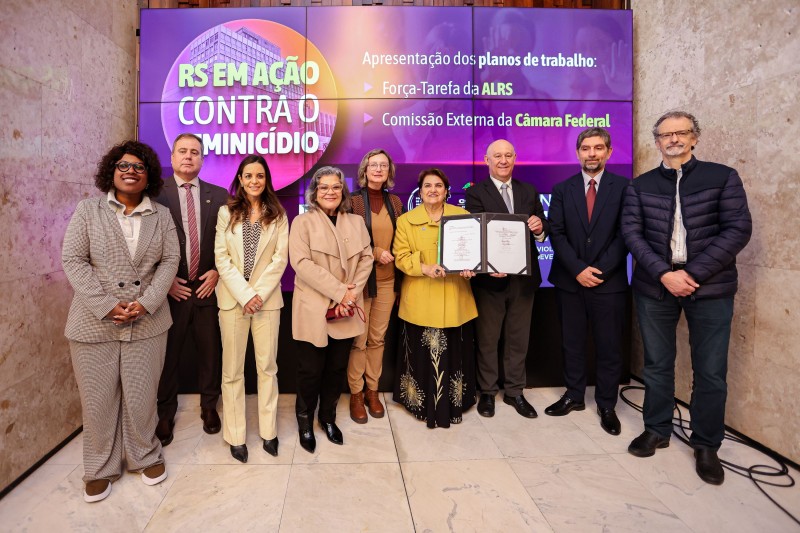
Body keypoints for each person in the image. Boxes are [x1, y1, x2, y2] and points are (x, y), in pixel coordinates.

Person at [621, 111, 752, 485]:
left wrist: (691, 274)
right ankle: (657, 430)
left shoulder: (722, 177)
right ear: (657, 141)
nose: (674, 139)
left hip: (709, 288)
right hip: (655, 286)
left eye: (682, 133)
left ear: (695, 138)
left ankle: (707, 445)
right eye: (666, 134)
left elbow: (737, 230)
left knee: (710, 371)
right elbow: (632, 234)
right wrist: (664, 273)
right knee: (658, 364)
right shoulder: (640, 186)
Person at [62, 141, 180, 502]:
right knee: (97, 400)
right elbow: (73, 259)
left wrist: (146, 303)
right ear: (111, 171)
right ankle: (99, 467)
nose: (131, 171)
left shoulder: (160, 215)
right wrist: (106, 304)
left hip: (148, 321)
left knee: (142, 396)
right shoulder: (88, 211)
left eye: (139, 167)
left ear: (149, 177)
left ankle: (144, 454)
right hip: (93, 322)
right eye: (123, 166)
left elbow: (170, 261)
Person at [545, 127, 629, 435]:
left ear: (609, 151)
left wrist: (599, 270)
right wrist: (578, 269)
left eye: (597, 148)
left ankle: (607, 403)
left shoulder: (624, 188)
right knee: (573, 342)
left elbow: (626, 234)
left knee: (609, 346)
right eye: (586, 148)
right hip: (570, 280)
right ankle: (574, 395)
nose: (591, 153)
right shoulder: (562, 189)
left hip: (610, 282)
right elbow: (557, 232)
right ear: (578, 152)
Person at [289, 167, 373, 452]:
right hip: (314, 307)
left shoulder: (356, 221)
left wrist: (350, 294)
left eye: (335, 187)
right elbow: (301, 264)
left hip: (346, 307)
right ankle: (304, 421)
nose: (330, 192)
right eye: (324, 187)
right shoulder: (302, 222)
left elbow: (367, 258)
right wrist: (340, 292)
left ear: (343, 191)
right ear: (315, 192)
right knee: (310, 370)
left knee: (336, 368)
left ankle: (327, 418)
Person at [153, 133, 229, 446]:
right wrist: (164, 280)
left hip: (208, 289)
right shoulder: (155, 194)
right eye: (182, 151)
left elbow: (229, 243)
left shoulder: (220, 194)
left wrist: (218, 273)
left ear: (201, 159)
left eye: (195, 152)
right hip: (171, 290)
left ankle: (209, 407)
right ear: (171, 158)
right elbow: (146, 245)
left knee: (211, 353)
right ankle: (165, 413)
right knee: (168, 356)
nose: (188, 157)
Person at [465, 139, 549, 418]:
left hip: (523, 280)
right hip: (490, 279)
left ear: (515, 158)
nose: (503, 160)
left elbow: (541, 227)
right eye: (497, 156)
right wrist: (488, 265)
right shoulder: (477, 193)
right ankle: (487, 392)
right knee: (487, 338)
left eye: (508, 155)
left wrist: (539, 229)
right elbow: (476, 232)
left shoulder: (529, 190)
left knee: (518, 338)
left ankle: (515, 392)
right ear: (486, 160)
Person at [214, 155, 289, 462]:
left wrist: (257, 295)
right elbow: (222, 258)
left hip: (267, 302)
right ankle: (235, 435)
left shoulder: (279, 215)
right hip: (233, 301)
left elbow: (280, 259)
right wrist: (245, 295)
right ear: (241, 179)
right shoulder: (225, 212)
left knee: (267, 368)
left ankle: (269, 432)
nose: (255, 181)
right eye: (249, 176)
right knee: (232, 372)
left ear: (266, 179)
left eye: (260, 176)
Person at [393, 169, 478, 428]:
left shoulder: (462, 217)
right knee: (420, 355)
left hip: (455, 297)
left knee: (455, 354)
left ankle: (455, 404)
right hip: (420, 298)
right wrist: (425, 268)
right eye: (427, 185)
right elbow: (401, 256)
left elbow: (473, 253)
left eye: (438, 185)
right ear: (420, 191)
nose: (433, 190)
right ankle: (419, 405)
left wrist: (470, 268)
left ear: (446, 190)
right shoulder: (406, 220)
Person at [347, 149, 404, 424]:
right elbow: (346, 241)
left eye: (384, 165)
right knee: (358, 340)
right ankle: (356, 394)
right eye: (373, 165)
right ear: (365, 169)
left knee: (377, 340)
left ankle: (373, 391)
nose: (378, 169)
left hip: (388, 282)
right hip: (360, 283)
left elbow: (402, 242)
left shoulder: (395, 202)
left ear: (389, 171)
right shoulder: (353, 201)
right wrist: (376, 250)